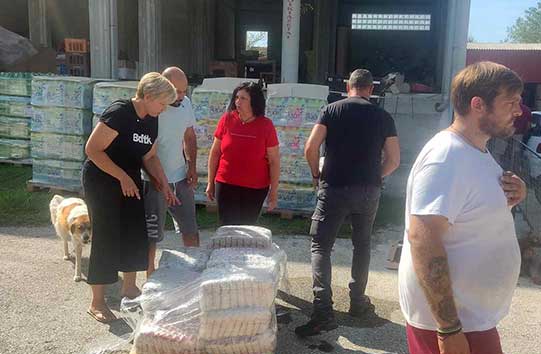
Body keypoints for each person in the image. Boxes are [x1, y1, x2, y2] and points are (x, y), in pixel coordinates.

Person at [398, 61, 527, 354]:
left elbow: (470, 212)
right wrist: (449, 328)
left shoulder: (476, 152)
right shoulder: (447, 157)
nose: (519, 111)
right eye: (510, 102)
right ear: (478, 104)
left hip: (465, 315)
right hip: (457, 320)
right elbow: (423, 238)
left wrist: (515, 195)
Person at [295, 68, 401, 337]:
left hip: (334, 187)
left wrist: (316, 175)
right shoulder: (383, 117)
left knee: (321, 246)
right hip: (368, 191)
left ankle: (323, 312)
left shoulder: (331, 110)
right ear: (371, 89)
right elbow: (394, 160)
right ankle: (357, 302)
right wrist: (374, 176)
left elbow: (310, 148)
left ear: (347, 86)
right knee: (362, 244)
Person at [82, 72, 179, 323]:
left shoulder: (151, 119)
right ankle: (97, 302)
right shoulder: (119, 113)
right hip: (103, 179)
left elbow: (150, 156)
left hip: (130, 179)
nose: (164, 109)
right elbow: (92, 150)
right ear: (148, 96)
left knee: (135, 232)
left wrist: (164, 184)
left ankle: (129, 288)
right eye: (162, 103)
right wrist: (122, 177)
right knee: (106, 235)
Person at [143, 66, 199, 277]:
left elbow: (189, 136)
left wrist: (191, 166)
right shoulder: (153, 110)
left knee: (190, 229)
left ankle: (194, 272)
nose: (181, 96)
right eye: (177, 91)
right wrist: (159, 179)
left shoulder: (186, 104)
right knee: (152, 234)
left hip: (180, 178)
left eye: (185, 91)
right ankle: (150, 277)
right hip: (154, 180)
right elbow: (147, 152)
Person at [205, 82, 280, 226]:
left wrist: (274, 191)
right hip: (226, 184)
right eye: (236, 97)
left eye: (243, 98)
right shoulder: (226, 119)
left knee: (247, 229)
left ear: (254, 101)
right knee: (227, 228)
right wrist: (210, 182)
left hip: (255, 188)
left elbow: (274, 161)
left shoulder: (266, 125)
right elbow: (215, 153)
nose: (238, 102)